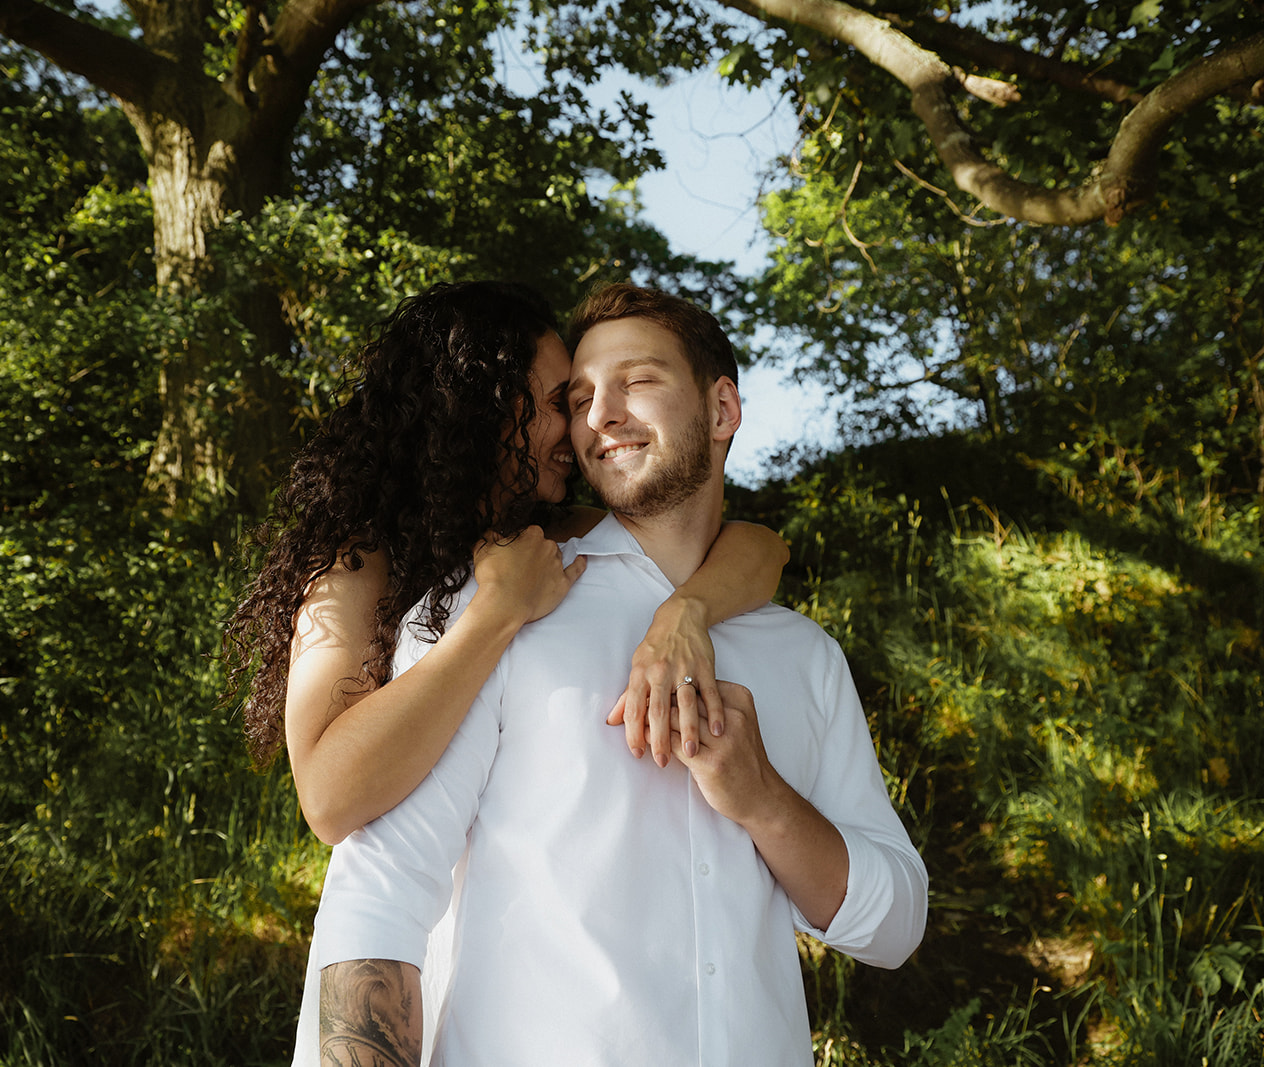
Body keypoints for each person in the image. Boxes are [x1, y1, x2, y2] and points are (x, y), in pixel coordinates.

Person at [296, 283, 928, 1066]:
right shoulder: (498, 603)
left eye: (638, 380)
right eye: (581, 396)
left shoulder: (802, 653)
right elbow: (383, 883)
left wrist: (765, 801)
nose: (599, 415)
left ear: (723, 409)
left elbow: (896, 926)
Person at [223, 280, 789, 847]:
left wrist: (686, 613)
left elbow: (759, 547)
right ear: (479, 412)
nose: (582, 427)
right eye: (559, 404)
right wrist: (495, 613)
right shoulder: (356, 566)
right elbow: (327, 800)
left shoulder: (548, 532)